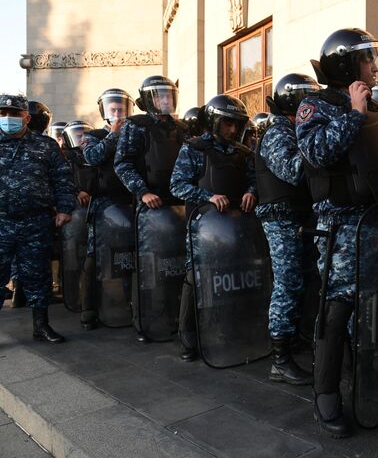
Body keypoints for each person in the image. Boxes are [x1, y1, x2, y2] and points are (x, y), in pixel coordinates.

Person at [297, 27, 378, 438]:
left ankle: (371, 372)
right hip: (340, 225)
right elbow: (317, 152)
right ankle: (325, 393)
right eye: (366, 58)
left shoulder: (375, 105)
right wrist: (354, 113)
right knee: (337, 305)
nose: (373, 66)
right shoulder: (316, 105)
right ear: (345, 65)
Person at [170, 94, 257, 361]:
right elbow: (177, 184)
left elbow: (255, 179)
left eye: (236, 125)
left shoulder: (243, 153)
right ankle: (188, 337)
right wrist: (206, 196)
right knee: (196, 277)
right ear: (215, 122)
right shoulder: (194, 149)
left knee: (233, 276)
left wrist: (252, 191)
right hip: (204, 227)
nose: (232, 130)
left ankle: (228, 328)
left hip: (236, 227)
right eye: (227, 124)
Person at [255, 73, 320, 384]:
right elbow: (293, 171)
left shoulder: (295, 131)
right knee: (287, 285)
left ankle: (294, 340)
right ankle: (279, 359)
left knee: (303, 282)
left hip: (299, 218)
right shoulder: (278, 134)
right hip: (281, 220)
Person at [114, 75, 187, 342]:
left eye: (169, 94)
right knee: (149, 266)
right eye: (160, 95)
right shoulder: (136, 126)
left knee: (177, 264)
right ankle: (145, 321)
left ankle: (179, 319)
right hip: (151, 208)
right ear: (148, 100)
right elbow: (122, 163)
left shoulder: (181, 127)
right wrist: (142, 192)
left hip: (179, 206)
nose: (166, 99)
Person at [0, 94, 74, 343]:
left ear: (26, 117)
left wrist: (64, 208)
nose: (7, 118)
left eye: (13, 113)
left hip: (36, 222)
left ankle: (41, 326)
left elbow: (62, 179)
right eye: (2, 113)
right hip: (1, 222)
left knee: (38, 275)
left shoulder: (46, 145)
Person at [79, 88, 135, 329]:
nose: (117, 112)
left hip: (128, 202)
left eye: (121, 108)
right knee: (95, 258)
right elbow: (92, 157)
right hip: (102, 206)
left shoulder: (134, 134)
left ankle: (131, 305)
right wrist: (113, 135)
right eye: (113, 108)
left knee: (129, 255)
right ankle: (89, 309)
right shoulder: (94, 135)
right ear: (104, 110)